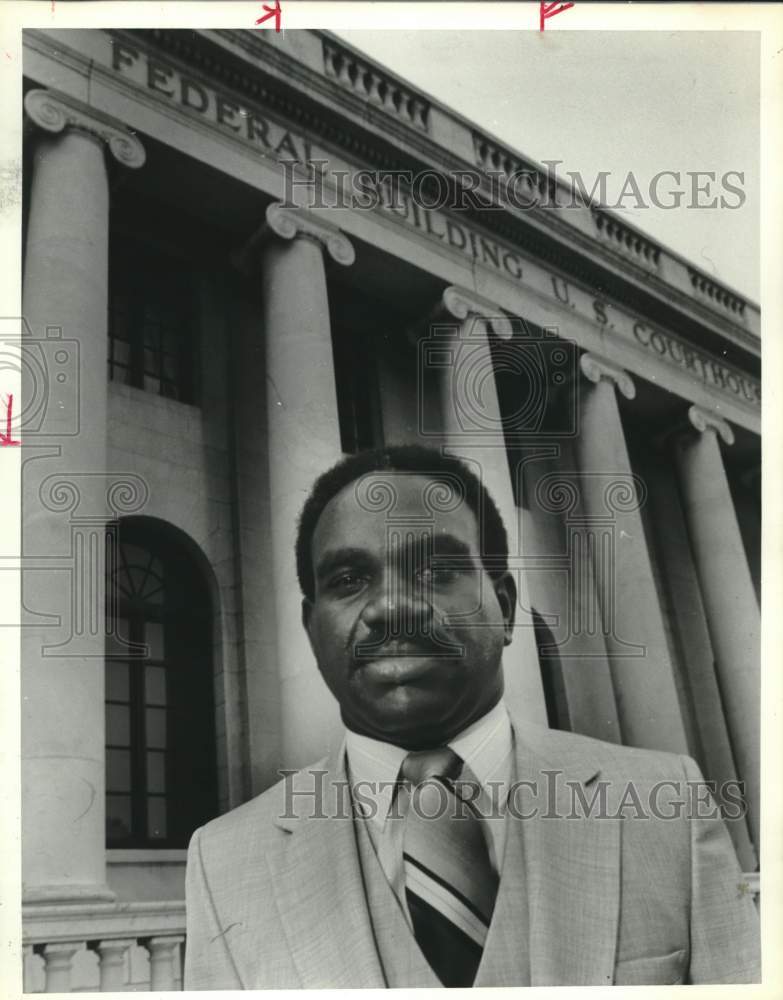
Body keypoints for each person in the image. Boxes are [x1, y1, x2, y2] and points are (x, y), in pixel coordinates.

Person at [184, 445, 760, 988]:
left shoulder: (668, 803)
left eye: (435, 570)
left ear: (505, 607)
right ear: (312, 629)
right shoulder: (225, 862)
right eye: (349, 580)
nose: (391, 608)